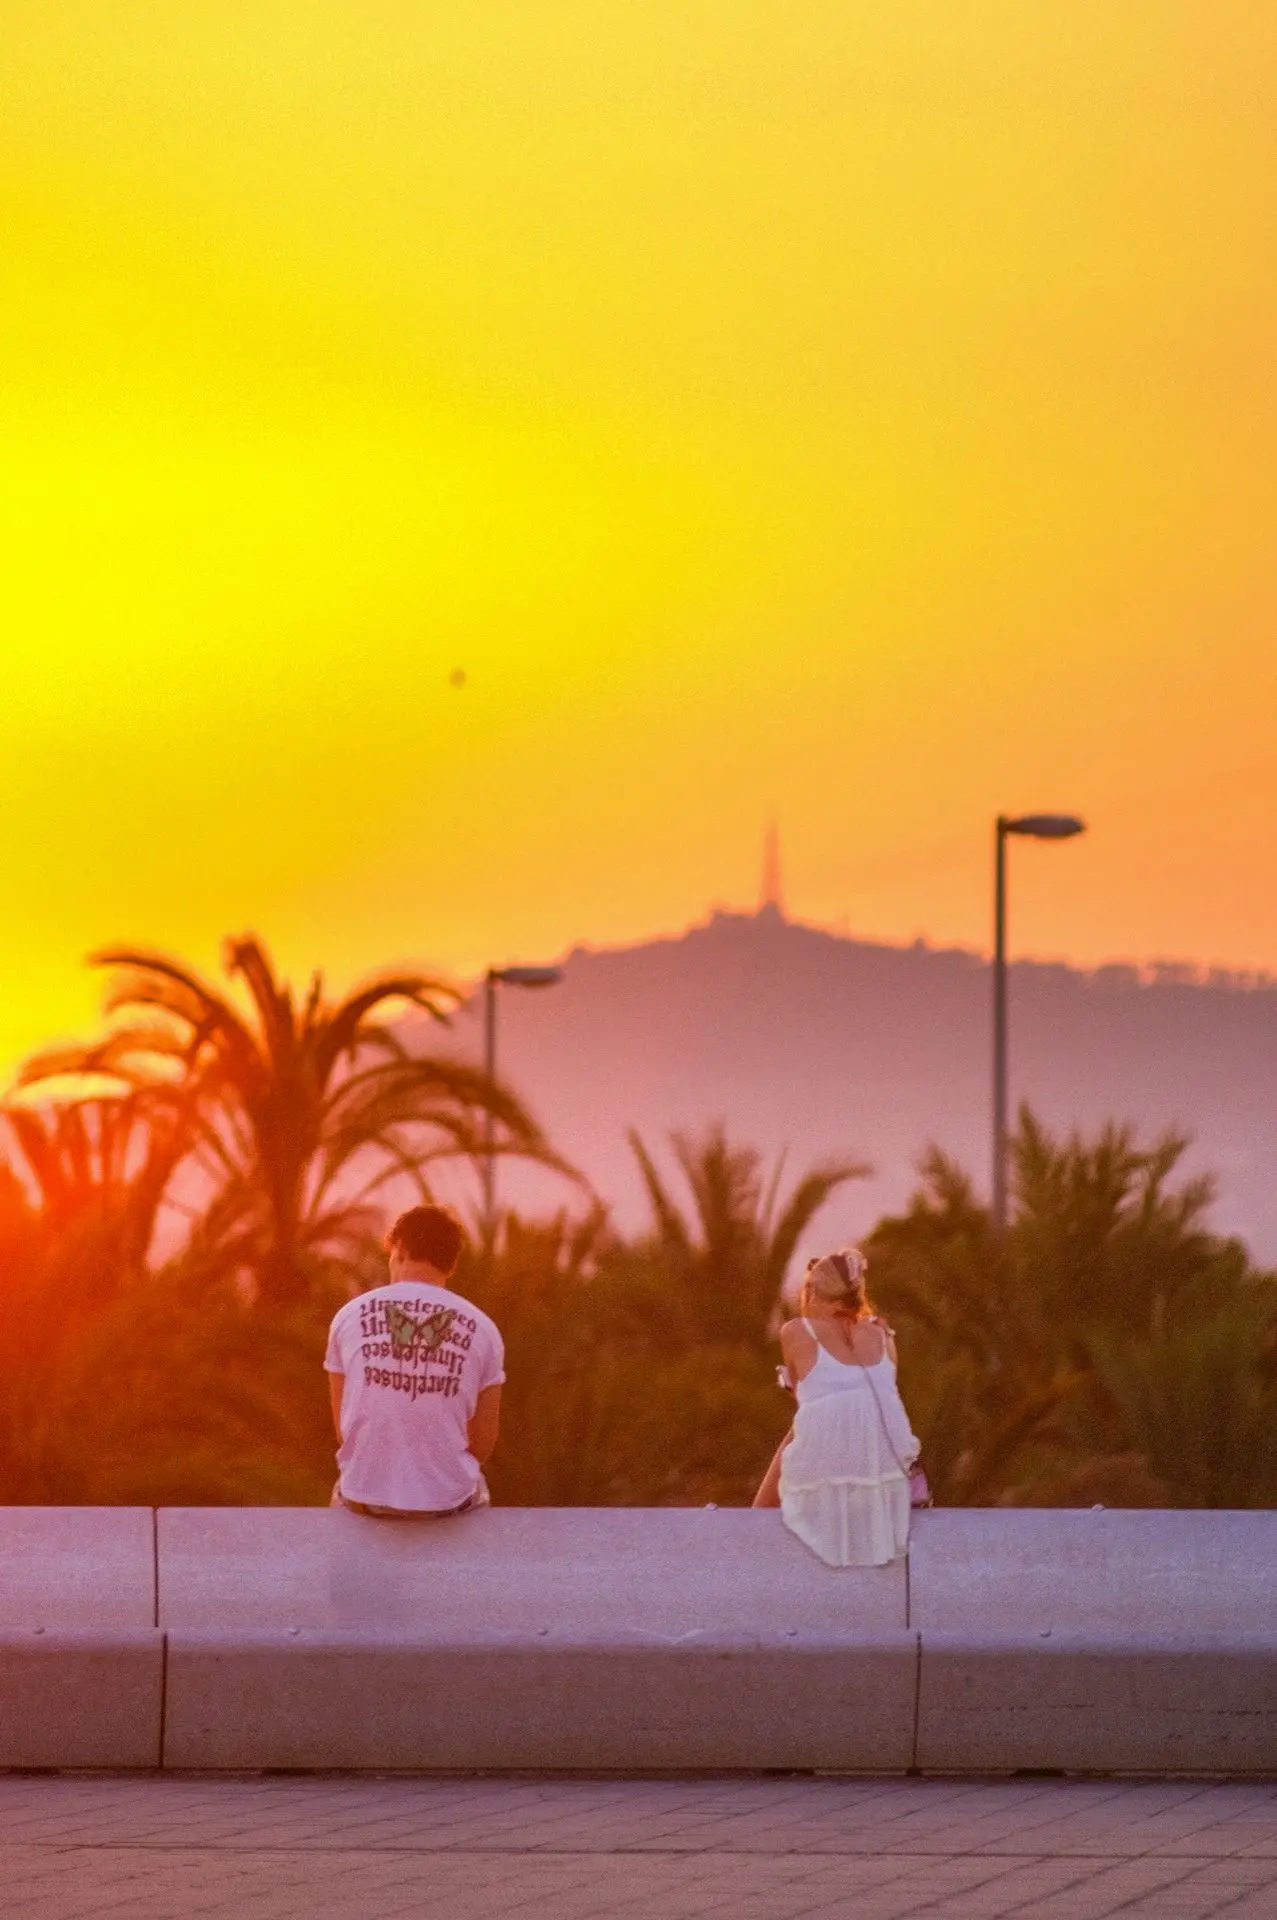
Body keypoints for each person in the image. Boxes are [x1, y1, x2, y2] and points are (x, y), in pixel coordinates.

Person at [325, 1204, 503, 1518]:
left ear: (401, 1250)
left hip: (365, 1499)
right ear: (450, 1266)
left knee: (342, 1489)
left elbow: (344, 1429)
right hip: (447, 1504)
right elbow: (483, 1443)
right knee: (478, 1486)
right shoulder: (484, 1329)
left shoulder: (348, 1317)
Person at [752, 1246, 920, 1567]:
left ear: (812, 1291)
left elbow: (811, 1403)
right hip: (882, 1466)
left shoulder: (796, 1331)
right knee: (811, 1426)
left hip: (829, 1464)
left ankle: (753, 1526)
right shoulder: (884, 1335)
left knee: (763, 1509)